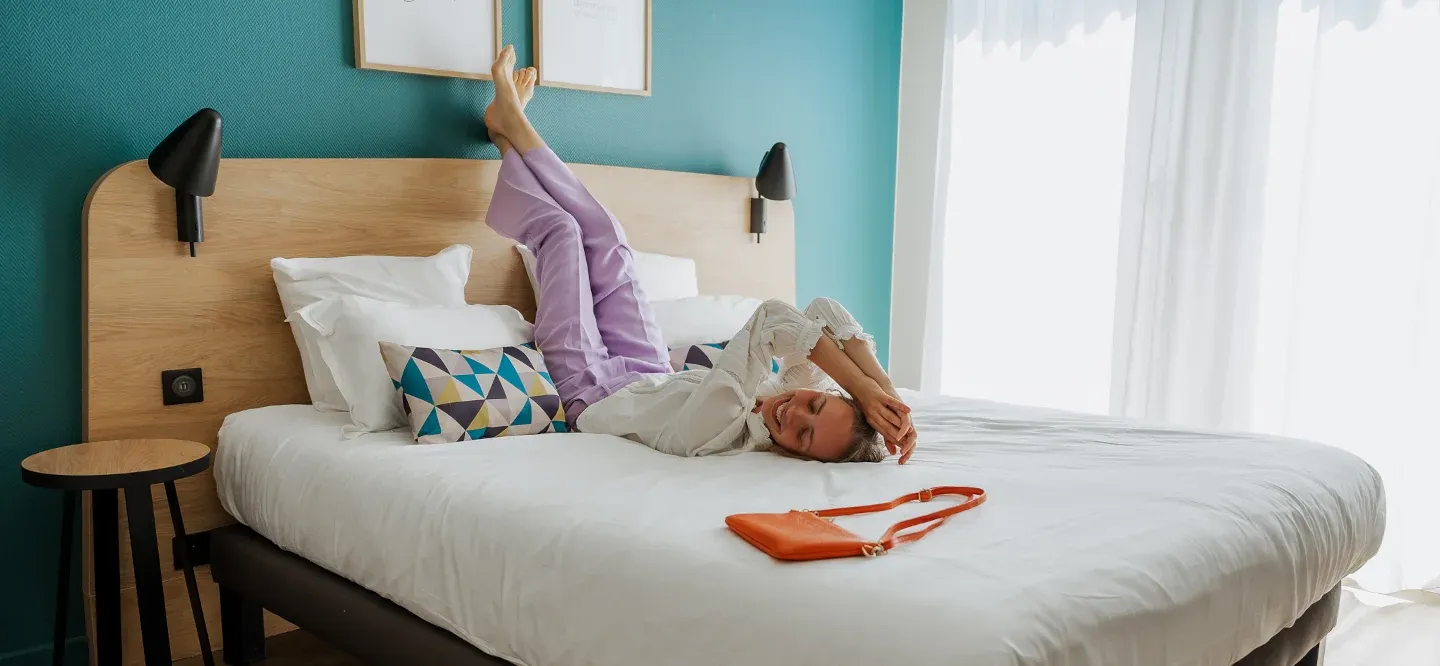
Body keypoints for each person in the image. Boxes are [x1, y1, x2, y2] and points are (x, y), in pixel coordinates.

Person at [482, 46, 917, 464]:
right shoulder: (781, 395)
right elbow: (822, 310)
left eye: (804, 436)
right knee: (608, 235)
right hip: (651, 370)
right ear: (828, 393)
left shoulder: (720, 427)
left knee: (563, 231)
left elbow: (771, 319)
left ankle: (509, 133)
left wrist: (860, 387)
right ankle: (510, 125)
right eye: (816, 405)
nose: (794, 413)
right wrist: (881, 393)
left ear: (802, 457)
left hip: (592, 393)